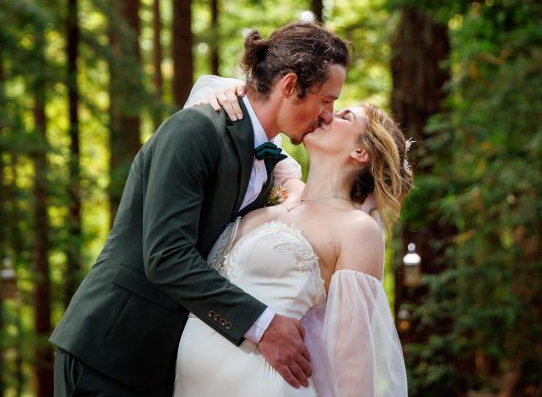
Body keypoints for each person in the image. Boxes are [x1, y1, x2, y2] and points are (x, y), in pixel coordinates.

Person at [49, 21, 350, 396]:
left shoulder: (270, 161)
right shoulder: (196, 130)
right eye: (326, 100)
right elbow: (166, 256)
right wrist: (264, 324)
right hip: (110, 353)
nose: (328, 115)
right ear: (289, 86)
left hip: (168, 367)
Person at [173, 85, 412, 396]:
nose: (325, 114)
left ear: (361, 152)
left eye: (343, 116)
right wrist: (228, 93)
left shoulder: (357, 229)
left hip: (266, 385)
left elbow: (353, 360)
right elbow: (251, 99)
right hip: (190, 386)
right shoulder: (280, 185)